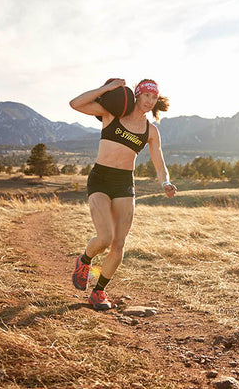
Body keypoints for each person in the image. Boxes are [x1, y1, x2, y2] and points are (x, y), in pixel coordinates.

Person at [69, 78, 176, 310]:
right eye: (146, 95)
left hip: (124, 184)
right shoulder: (112, 114)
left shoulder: (151, 131)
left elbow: (159, 163)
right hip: (100, 179)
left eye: (153, 97)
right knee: (104, 237)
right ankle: (85, 260)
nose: (149, 101)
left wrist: (165, 182)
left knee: (118, 245)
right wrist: (106, 89)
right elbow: (75, 103)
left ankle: (98, 292)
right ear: (136, 95)